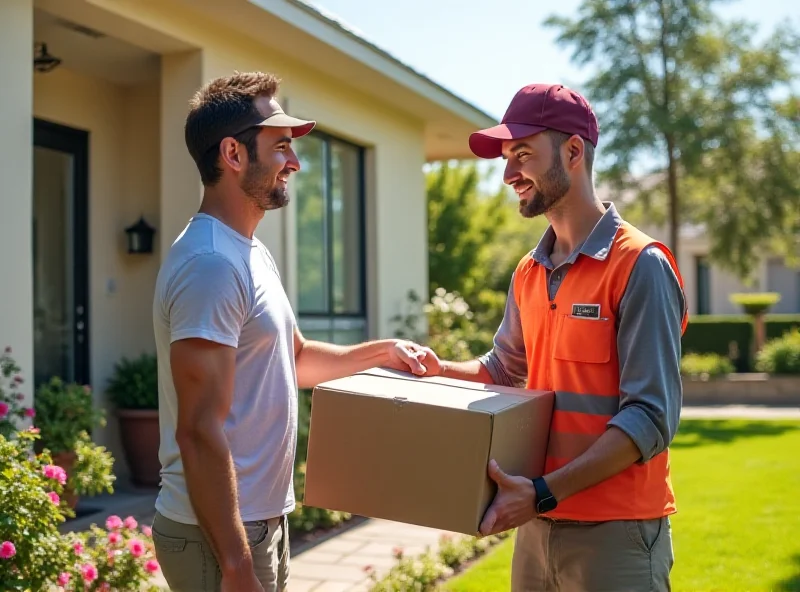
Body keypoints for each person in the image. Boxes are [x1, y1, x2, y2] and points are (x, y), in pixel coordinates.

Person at [150, 71, 430, 592]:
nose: (295, 162)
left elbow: (292, 360)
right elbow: (198, 429)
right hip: (218, 535)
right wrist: (235, 563)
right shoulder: (211, 264)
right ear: (233, 154)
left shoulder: (249, 252)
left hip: (258, 524)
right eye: (281, 146)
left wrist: (381, 353)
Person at [415, 83, 688, 591]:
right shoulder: (528, 272)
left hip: (616, 535)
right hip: (536, 530)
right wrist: (438, 372)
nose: (507, 174)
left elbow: (650, 417)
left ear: (573, 151)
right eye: (505, 157)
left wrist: (540, 492)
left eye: (522, 153)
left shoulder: (639, 265)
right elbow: (504, 368)